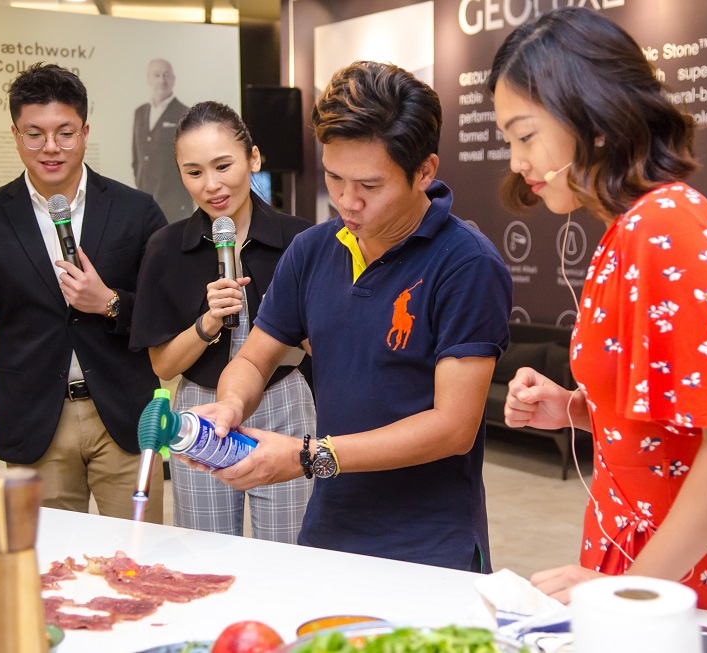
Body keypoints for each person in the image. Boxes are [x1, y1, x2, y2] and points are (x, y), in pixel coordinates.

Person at [492, 7, 707, 615]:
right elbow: (669, 434)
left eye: (525, 137)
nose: (517, 162)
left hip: (671, 585)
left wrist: (628, 591)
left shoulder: (663, 226)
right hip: (638, 564)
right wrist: (573, 409)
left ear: (594, 120)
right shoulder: (630, 231)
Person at [186, 61, 513, 572]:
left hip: (429, 548)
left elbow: (453, 426)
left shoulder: (466, 264)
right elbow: (253, 359)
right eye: (334, 177)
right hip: (329, 532)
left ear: (424, 171)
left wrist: (309, 455)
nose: (346, 201)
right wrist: (230, 406)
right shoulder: (312, 249)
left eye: (370, 185)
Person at [0, 63, 167, 522]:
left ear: (84, 132)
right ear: (15, 135)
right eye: (34, 134)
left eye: (64, 133)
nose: (50, 147)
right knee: (46, 561)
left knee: (139, 555)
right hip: (35, 422)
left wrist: (110, 304)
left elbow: (165, 314)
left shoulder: (136, 210)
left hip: (126, 419)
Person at [130, 101, 314, 542]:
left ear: (253, 159)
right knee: (205, 551)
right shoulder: (165, 248)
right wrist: (207, 324)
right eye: (194, 172)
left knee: (290, 553)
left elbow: (327, 345)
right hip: (201, 412)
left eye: (223, 166)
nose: (211, 185)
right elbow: (163, 366)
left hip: (284, 401)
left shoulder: (302, 240)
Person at [132, 59, 192, 223]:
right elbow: (137, 157)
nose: (162, 80)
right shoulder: (140, 112)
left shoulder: (185, 114)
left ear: (173, 79)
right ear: (148, 79)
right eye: (156, 75)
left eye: (166, 75)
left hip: (174, 207)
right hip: (144, 203)